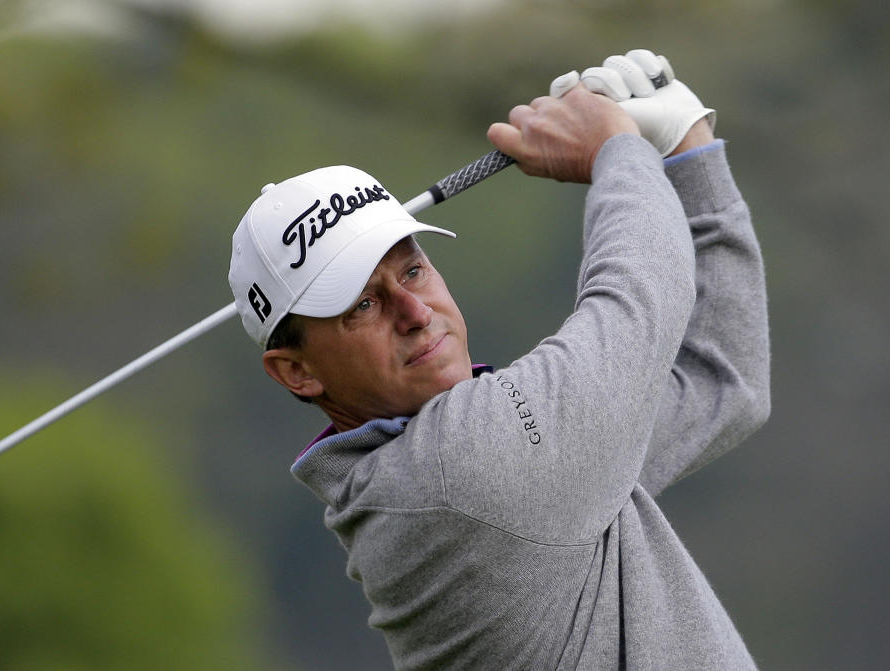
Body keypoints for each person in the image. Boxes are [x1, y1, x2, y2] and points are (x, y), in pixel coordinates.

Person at [228, 49, 770, 670]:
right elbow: (640, 302)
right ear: (296, 371)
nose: (415, 311)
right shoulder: (457, 473)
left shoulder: (522, 468)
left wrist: (688, 150)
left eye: (412, 269)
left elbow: (721, 381)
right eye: (363, 306)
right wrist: (619, 150)